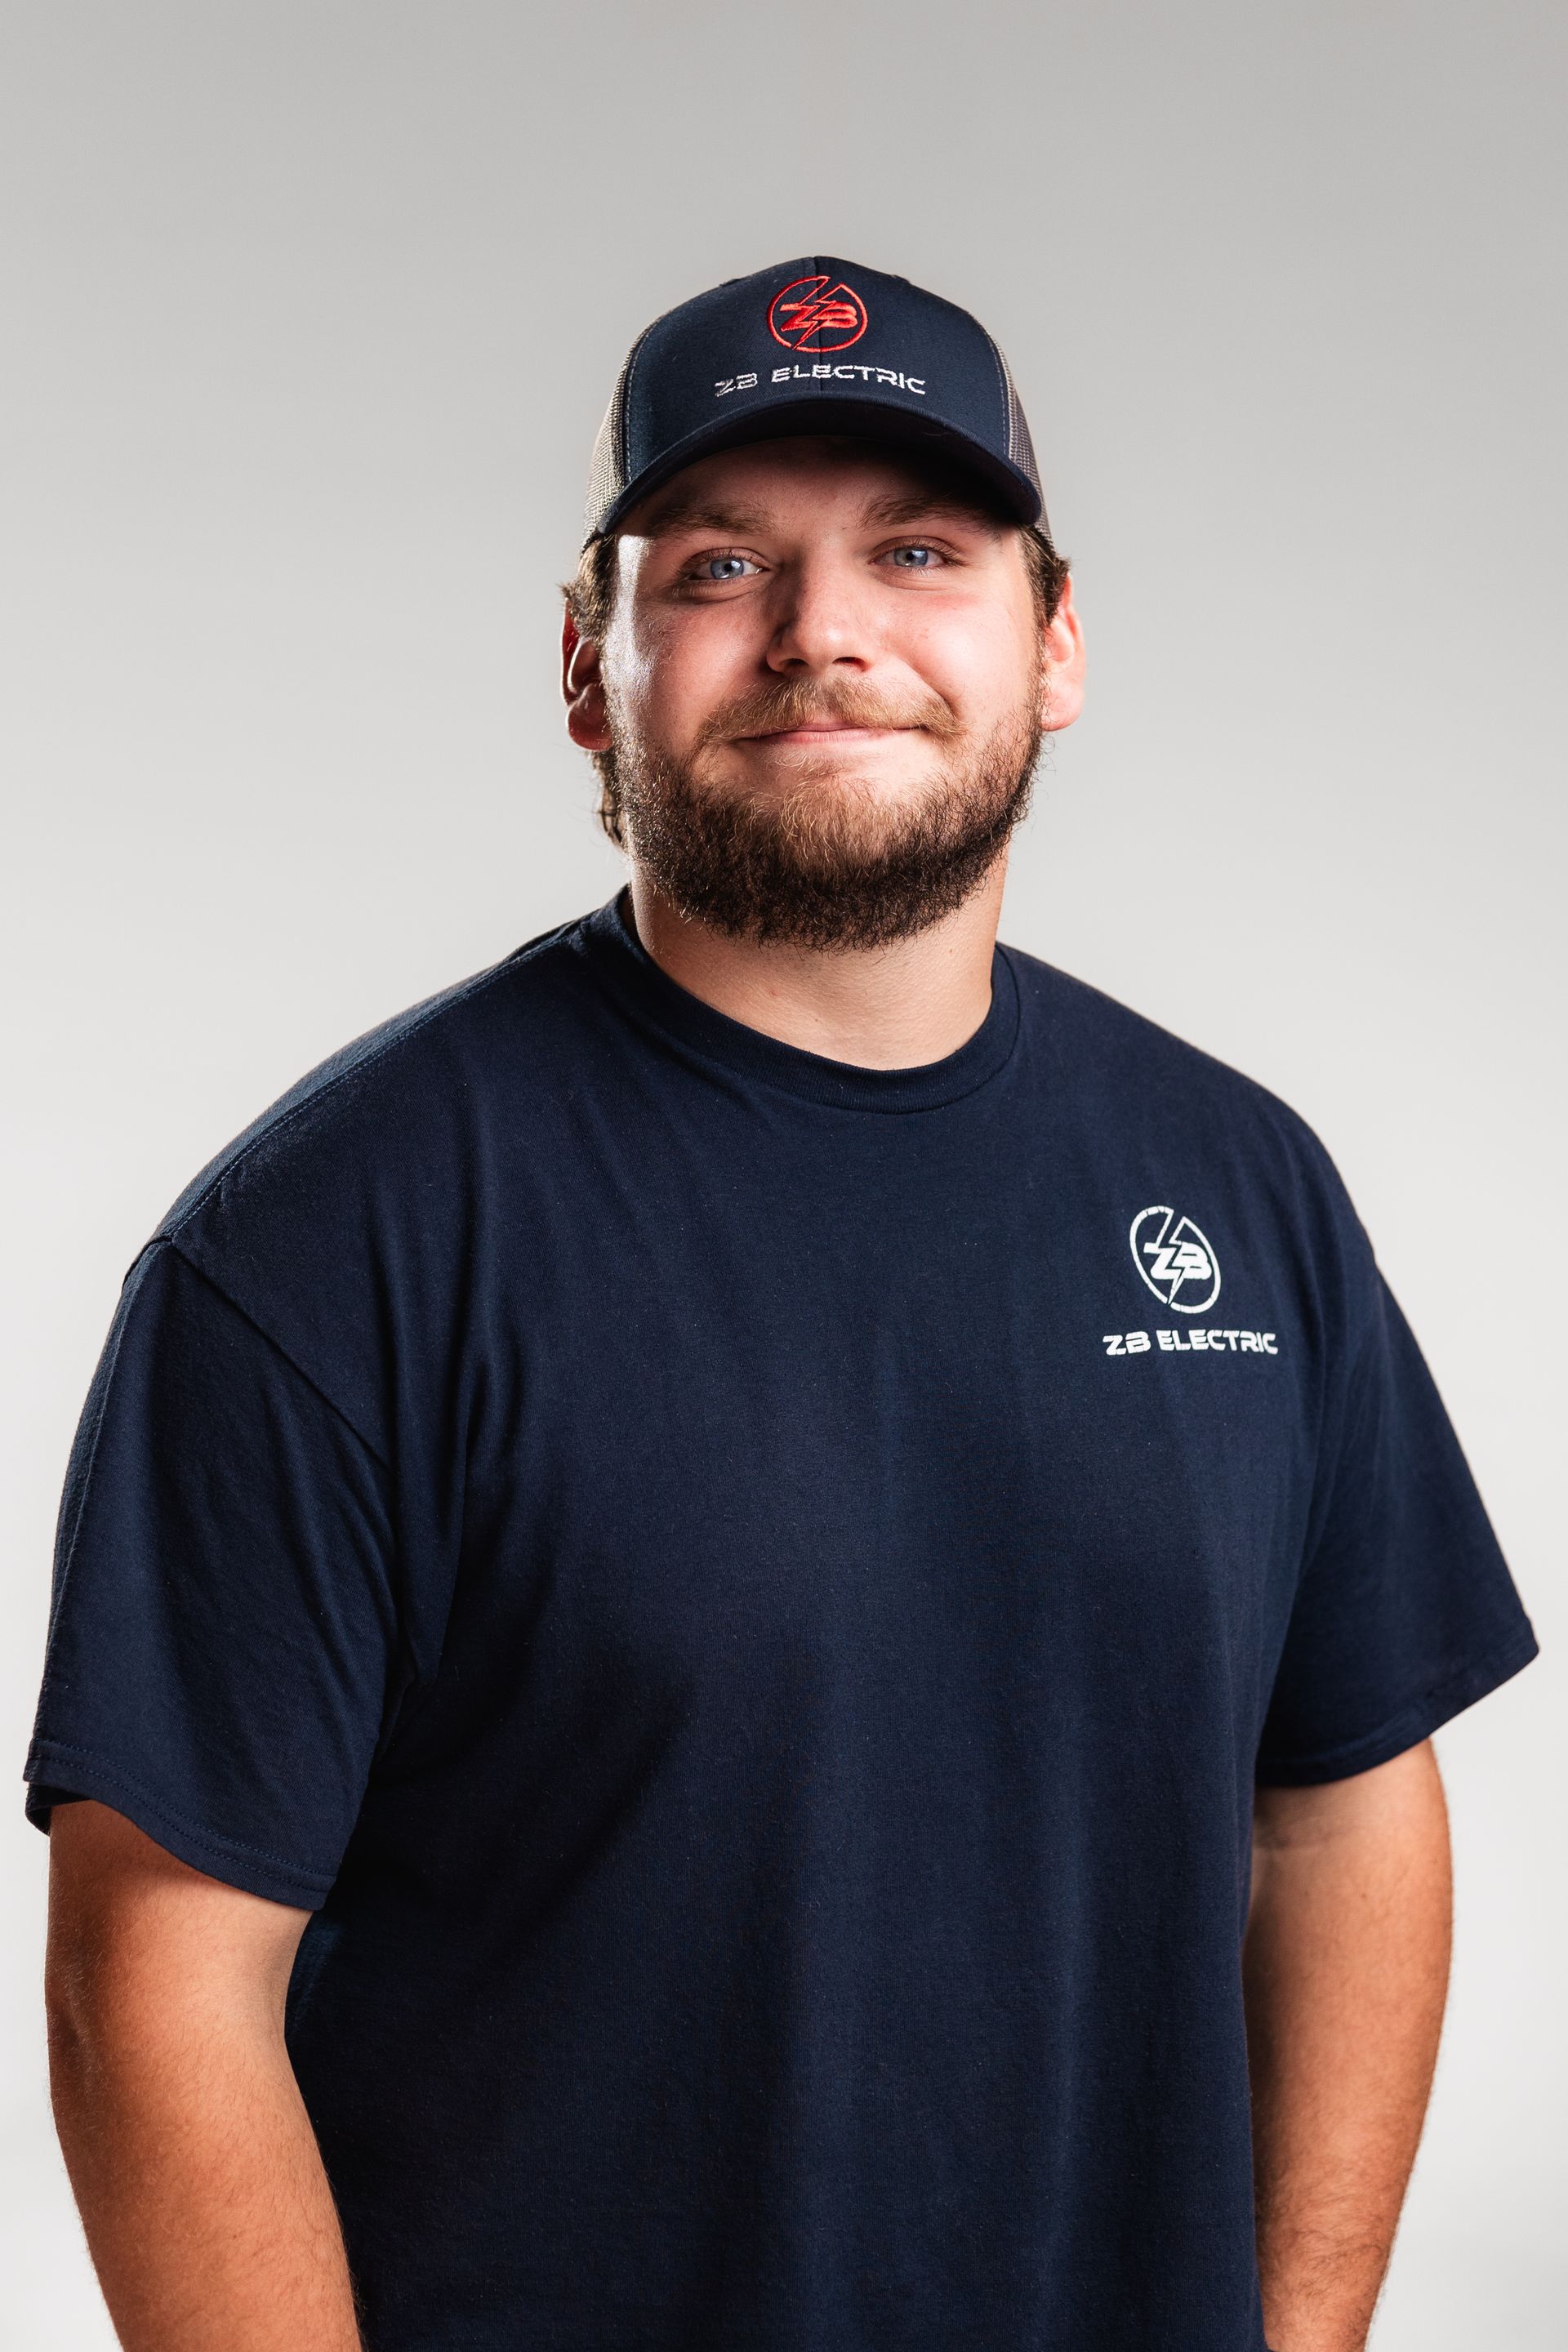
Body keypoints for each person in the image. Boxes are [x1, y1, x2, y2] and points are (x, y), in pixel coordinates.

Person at [24, 255, 1537, 2352]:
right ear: (590, 667)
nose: (828, 634)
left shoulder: (1237, 1184)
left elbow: (1348, 1796)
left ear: (1056, 640)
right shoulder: (330, 1242)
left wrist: (1293, 2330)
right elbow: (153, 1988)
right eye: (724, 564)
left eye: (918, 550)